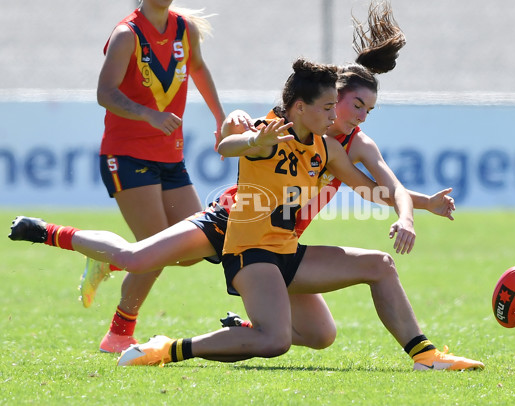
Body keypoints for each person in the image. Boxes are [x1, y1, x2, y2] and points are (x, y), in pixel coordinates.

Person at [10, 56, 484, 370]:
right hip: (232, 222)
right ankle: (57, 236)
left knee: (320, 335)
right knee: (141, 257)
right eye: (354, 104)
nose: (361, 115)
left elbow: (379, 189)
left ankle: (242, 329)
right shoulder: (286, 125)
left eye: (369, 109)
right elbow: (235, 141)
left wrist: (415, 207)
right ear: (326, 102)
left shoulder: (340, 145)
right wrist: (242, 132)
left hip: (280, 242)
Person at [93, 0, 228, 353]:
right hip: (126, 153)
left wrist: (220, 118)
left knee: (196, 247)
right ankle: (118, 334)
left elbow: (198, 68)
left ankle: (109, 255)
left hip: (171, 155)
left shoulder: (185, 29)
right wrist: (147, 114)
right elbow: (104, 93)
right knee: (154, 247)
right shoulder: (127, 34)